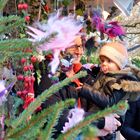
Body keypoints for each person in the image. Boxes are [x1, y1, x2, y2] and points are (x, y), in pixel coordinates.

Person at [42, 40, 122, 139]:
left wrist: (116, 122)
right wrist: (100, 121)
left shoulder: (87, 74)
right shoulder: (51, 79)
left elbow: (114, 106)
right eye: (74, 46)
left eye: (81, 47)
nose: (79, 52)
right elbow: (55, 116)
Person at [78, 42, 140, 139]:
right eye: (102, 61)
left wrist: (85, 90)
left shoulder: (122, 83)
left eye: (109, 61)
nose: (104, 64)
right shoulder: (108, 74)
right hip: (98, 118)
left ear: (119, 64)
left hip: (109, 125)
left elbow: (109, 101)